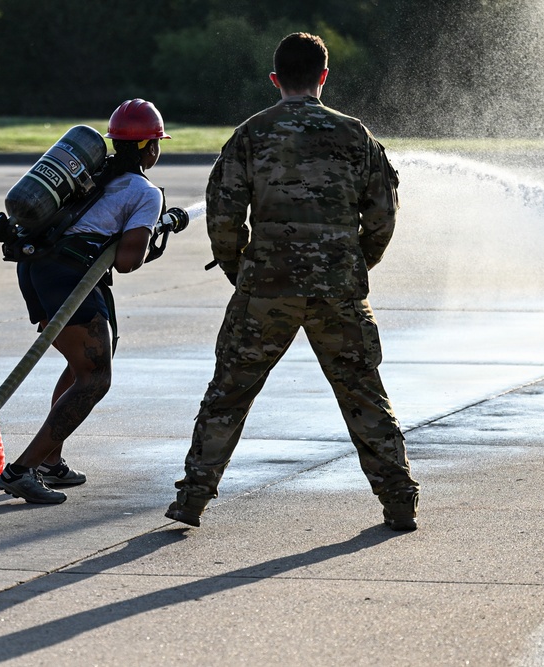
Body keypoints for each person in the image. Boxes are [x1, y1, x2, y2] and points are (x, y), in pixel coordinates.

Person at [165, 32, 420, 530]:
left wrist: (241, 270)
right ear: (323, 76)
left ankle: (192, 499)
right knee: (363, 394)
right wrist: (352, 265)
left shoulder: (251, 134)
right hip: (338, 290)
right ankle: (399, 500)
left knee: (228, 395)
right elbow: (383, 216)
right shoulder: (355, 136)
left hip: (265, 288)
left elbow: (223, 214)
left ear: (275, 79)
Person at [0, 99, 170, 504]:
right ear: (151, 148)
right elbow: (126, 261)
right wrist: (154, 229)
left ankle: (50, 462)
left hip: (37, 269)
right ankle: (21, 471)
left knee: (83, 367)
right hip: (69, 277)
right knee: (95, 380)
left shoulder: (90, 175)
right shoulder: (144, 193)